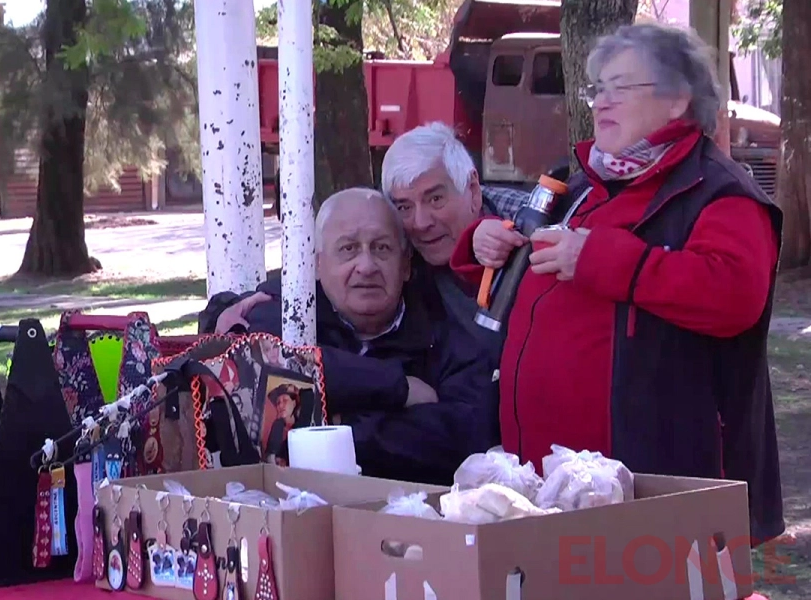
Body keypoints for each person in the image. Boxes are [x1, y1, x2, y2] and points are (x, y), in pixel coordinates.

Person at [450, 22, 784, 545]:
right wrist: (483, 247)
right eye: (597, 88)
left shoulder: (718, 191)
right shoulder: (582, 183)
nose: (601, 102)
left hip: (656, 491)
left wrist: (601, 259)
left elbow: (734, 295)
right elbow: (530, 268)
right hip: (549, 482)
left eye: (620, 87)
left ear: (677, 100)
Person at [201, 122, 531, 369]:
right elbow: (333, 267)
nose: (420, 220)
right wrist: (234, 304)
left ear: (472, 189)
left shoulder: (530, 223)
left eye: (435, 198)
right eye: (403, 205)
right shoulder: (413, 250)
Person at [242, 187, 498, 484]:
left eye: (381, 248)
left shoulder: (449, 341)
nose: (366, 267)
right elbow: (260, 354)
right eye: (348, 249)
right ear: (316, 265)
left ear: (405, 266)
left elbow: (463, 440)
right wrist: (396, 388)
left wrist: (340, 426)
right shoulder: (287, 317)